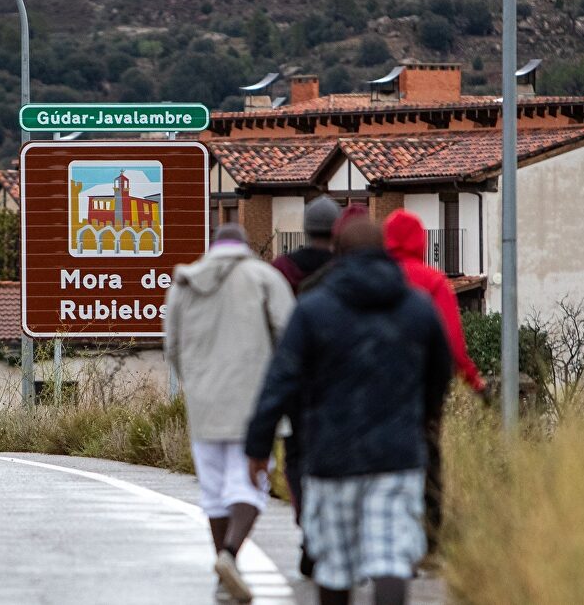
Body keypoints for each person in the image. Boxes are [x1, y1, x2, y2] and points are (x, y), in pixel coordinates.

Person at [245, 218, 452, 605]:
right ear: (386, 252)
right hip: (397, 452)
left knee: (335, 563)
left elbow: (280, 380)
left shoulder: (312, 309)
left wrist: (258, 447)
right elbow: (440, 374)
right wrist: (422, 419)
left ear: (337, 253)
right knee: (391, 557)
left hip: (329, 452)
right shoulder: (418, 309)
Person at [164, 223, 295, 603]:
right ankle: (230, 554)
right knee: (249, 483)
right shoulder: (265, 278)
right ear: (243, 247)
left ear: (212, 247)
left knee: (215, 490)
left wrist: (196, 381)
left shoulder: (183, 285)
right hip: (255, 402)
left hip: (204, 402)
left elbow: (172, 347)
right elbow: (288, 338)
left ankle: (224, 574)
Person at [382, 209, 483, 557]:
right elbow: (453, 342)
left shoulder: (375, 278)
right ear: (421, 241)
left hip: (375, 386)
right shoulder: (432, 281)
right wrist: (473, 381)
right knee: (428, 459)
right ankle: (429, 538)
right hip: (423, 389)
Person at [269, 195, 340, 577]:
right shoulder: (344, 269)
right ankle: (335, 531)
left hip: (296, 381)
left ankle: (307, 523)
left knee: (296, 457)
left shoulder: (282, 269)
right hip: (340, 381)